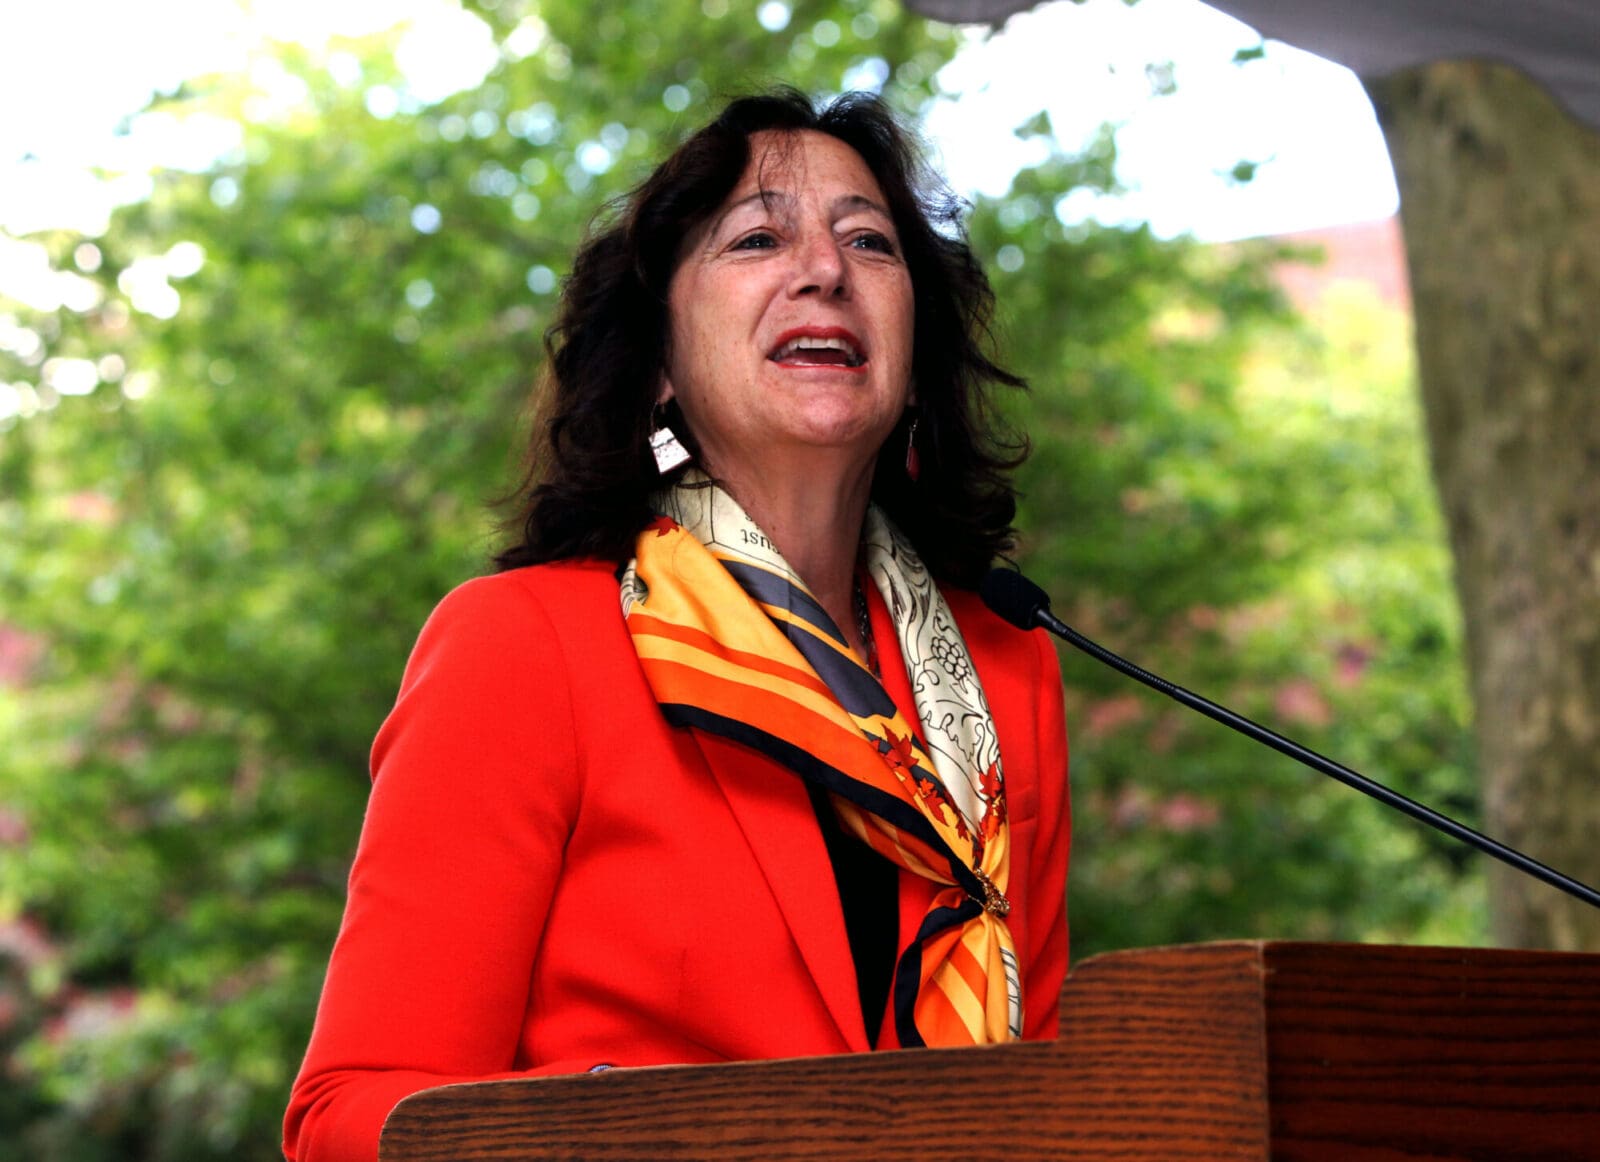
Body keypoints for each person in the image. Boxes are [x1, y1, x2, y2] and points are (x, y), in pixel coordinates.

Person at [283, 88, 1069, 1162]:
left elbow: (1062, 1092)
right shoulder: (524, 645)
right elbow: (352, 1113)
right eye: (757, 236)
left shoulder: (1006, 664)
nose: (824, 270)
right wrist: (645, 1132)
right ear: (657, 361)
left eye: (869, 242)